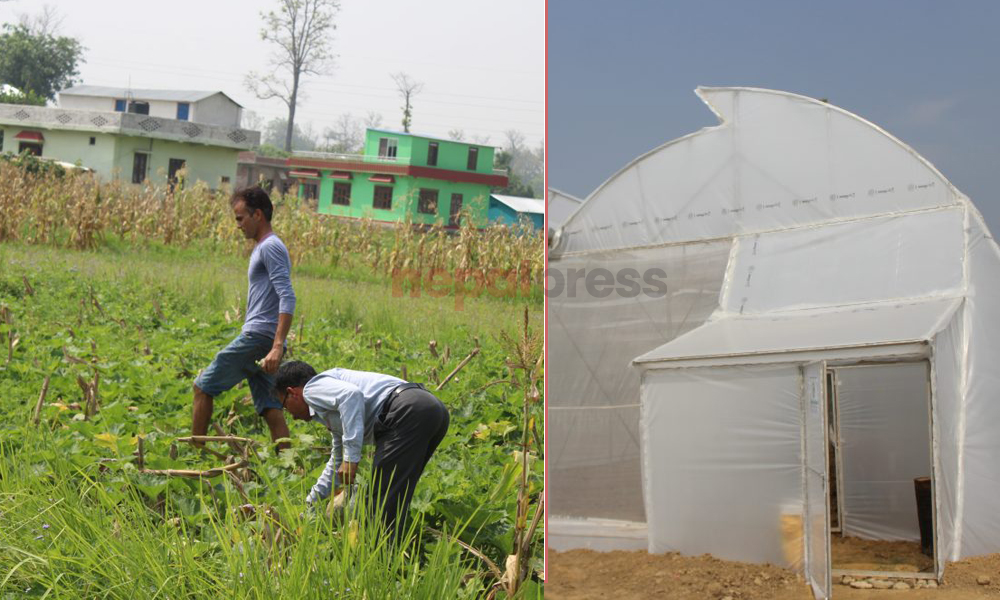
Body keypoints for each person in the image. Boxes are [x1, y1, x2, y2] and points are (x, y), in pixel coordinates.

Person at [274, 361, 450, 537]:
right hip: (432, 410)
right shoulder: (331, 408)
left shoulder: (311, 389)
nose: (293, 417)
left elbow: (351, 395)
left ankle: (382, 560)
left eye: (285, 407)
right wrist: (310, 503)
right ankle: (395, 552)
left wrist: (351, 459)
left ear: (292, 393)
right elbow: (337, 461)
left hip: (407, 411)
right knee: (394, 497)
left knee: (381, 500)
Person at [192, 186, 295, 450]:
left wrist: (277, 345)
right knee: (271, 406)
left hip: (258, 337)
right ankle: (290, 468)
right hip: (263, 337)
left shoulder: (270, 247)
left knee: (203, 387)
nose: (238, 225)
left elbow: (287, 296)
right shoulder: (265, 247)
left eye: (240, 218)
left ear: (257, 215)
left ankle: (195, 454)